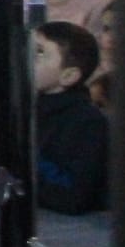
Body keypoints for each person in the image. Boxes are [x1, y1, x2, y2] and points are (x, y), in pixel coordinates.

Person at [31, 21, 108, 214]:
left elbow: (74, 194)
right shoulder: (24, 108)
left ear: (69, 75)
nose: (26, 57)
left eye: (39, 52)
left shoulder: (87, 122)